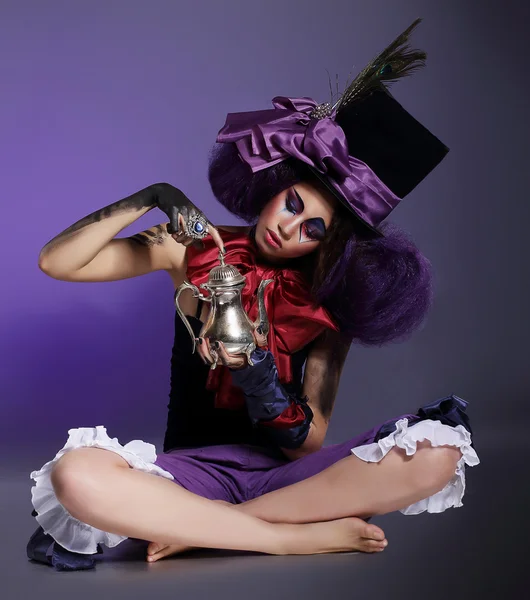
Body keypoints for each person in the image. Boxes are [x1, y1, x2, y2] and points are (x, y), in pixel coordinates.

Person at [27, 19, 479, 571]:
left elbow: (306, 444)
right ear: (273, 186)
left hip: (287, 477)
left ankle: (209, 527)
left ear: (328, 244)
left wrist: (257, 371)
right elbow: (58, 262)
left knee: (440, 453)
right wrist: (153, 196)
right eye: (293, 204)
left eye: (314, 229)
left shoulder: (328, 302)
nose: (291, 229)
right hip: (188, 474)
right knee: (76, 474)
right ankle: (282, 536)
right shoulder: (192, 249)